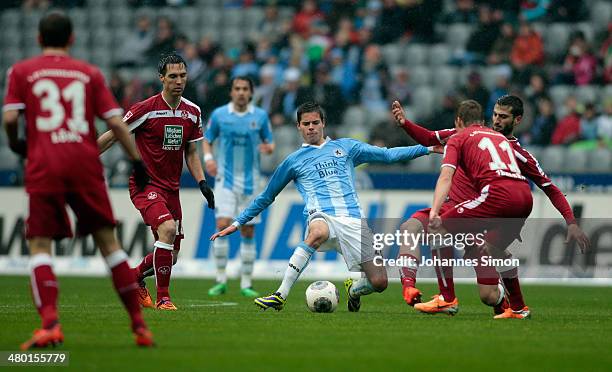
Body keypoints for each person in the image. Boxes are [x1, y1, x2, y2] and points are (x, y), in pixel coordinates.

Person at [2, 11, 154, 348]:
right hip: (84, 163)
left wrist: (16, 143)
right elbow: (116, 123)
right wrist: (135, 160)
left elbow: (11, 117)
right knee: (109, 245)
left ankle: (50, 324)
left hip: (45, 163)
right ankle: (139, 326)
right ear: (72, 39)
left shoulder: (22, 71)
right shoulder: (89, 73)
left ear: (39, 39)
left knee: (40, 246)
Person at [210, 101, 437, 312]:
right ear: (298, 126)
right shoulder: (293, 161)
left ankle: (353, 289)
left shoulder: (347, 148)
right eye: (306, 124)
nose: (311, 128)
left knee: (379, 282)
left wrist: (426, 149)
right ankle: (280, 294)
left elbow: (387, 155)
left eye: (315, 123)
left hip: (353, 221)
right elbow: (266, 196)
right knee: (317, 231)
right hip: (321, 215)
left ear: (323, 124)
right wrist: (238, 222)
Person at [392, 96, 589, 318]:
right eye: (495, 114)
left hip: (484, 212)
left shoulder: (512, 150)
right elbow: (429, 138)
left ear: (518, 120)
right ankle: (422, 289)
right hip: (464, 209)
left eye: (503, 117)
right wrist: (405, 124)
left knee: (488, 293)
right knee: (412, 227)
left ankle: (484, 301)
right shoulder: (469, 134)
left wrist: (569, 220)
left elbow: (549, 187)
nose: (496, 120)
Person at [97, 53, 215, 310]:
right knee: (168, 230)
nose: (179, 81)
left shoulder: (192, 112)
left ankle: (134, 277)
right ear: (161, 78)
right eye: (173, 76)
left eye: (183, 75)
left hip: (172, 188)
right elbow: (114, 134)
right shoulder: (145, 109)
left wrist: (202, 182)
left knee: (170, 257)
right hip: (145, 185)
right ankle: (164, 297)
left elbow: (191, 152)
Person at [203, 76, 275, 298]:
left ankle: (246, 283)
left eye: (245, 89)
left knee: (248, 230)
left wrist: (268, 148)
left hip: (251, 182)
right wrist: (208, 159)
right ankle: (220, 279)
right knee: (222, 225)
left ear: (251, 93)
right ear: (231, 92)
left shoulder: (260, 116)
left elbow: (270, 142)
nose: (241, 92)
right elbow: (207, 139)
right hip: (225, 180)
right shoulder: (220, 115)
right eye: (237, 89)